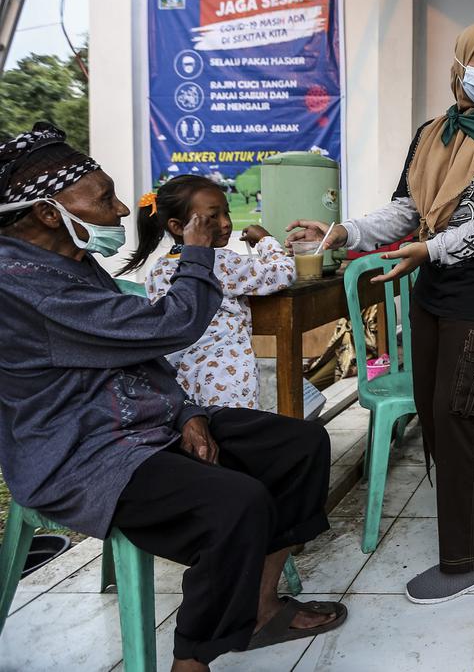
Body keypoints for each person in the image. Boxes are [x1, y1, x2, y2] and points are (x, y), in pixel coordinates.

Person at [0, 124, 344, 672]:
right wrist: (198, 253)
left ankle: (261, 608)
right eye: (104, 198)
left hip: (146, 425)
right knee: (236, 503)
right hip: (86, 454)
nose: (120, 210)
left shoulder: (73, 263)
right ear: (47, 213)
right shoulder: (20, 285)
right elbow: (171, 325)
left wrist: (186, 410)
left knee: (299, 444)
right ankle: (192, 660)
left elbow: (135, 351)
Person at [285, 23, 474, 603]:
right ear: (461, 63)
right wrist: (344, 232)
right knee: (442, 414)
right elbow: (406, 210)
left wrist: (430, 250)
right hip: (434, 296)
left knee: (459, 411)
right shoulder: (433, 135)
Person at [119, 176, 296, 408]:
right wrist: (265, 240)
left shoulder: (158, 268)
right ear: (178, 226)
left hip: (178, 379)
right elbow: (284, 273)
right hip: (228, 379)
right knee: (236, 429)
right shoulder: (221, 262)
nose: (225, 223)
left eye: (226, 213)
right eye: (212, 217)